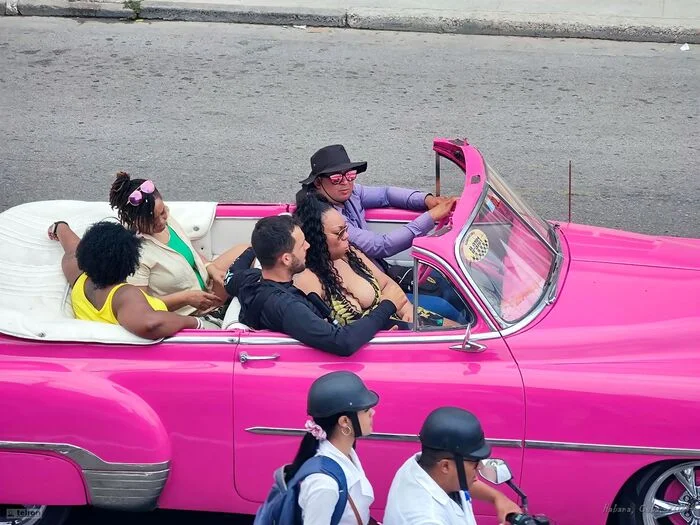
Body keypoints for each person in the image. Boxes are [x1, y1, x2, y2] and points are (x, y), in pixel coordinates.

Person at [223, 215, 405, 356]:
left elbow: (231, 275)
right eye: (302, 244)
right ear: (286, 259)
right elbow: (342, 342)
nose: (308, 246)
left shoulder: (250, 281)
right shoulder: (286, 307)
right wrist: (387, 305)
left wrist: (260, 245)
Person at [293, 195, 464, 328]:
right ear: (316, 238)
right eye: (339, 233)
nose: (346, 236)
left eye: (346, 229)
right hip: (377, 344)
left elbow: (388, 285)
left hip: (404, 319)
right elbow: (331, 336)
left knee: (458, 330)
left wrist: (408, 311)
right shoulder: (308, 280)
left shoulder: (350, 254)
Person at [296, 144, 457, 271]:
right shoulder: (325, 216)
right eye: (336, 178)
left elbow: (386, 194)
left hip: (378, 269)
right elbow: (381, 246)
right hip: (363, 278)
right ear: (318, 182)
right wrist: (431, 217)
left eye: (350, 175)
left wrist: (426, 200)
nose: (345, 182)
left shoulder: (350, 193)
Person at [109, 171, 240, 316]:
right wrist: (186, 298)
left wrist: (212, 269)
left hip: (208, 288)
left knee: (248, 251)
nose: (161, 221)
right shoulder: (133, 253)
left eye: (162, 212)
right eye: (151, 221)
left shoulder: (168, 222)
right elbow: (142, 307)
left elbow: (190, 252)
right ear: (132, 219)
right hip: (190, 311)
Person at [48, 220, 203, 338]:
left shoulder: (76, 273)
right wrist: (194, 323)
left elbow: (71, 246)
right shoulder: (124, 295)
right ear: (130, 263)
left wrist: (59, 226)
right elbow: (151, 323)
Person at [383, 407, 521, 525]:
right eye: (474, 463)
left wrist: (497, 498)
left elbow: (467, 483)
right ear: (445, 466)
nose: (479, 468)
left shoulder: (425, 465)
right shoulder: (426, 518)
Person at [290, 371, 378, 524]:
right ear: (344, 421)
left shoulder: (346, 452)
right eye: (365, 410)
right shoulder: (324, 484)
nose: (372, 412)